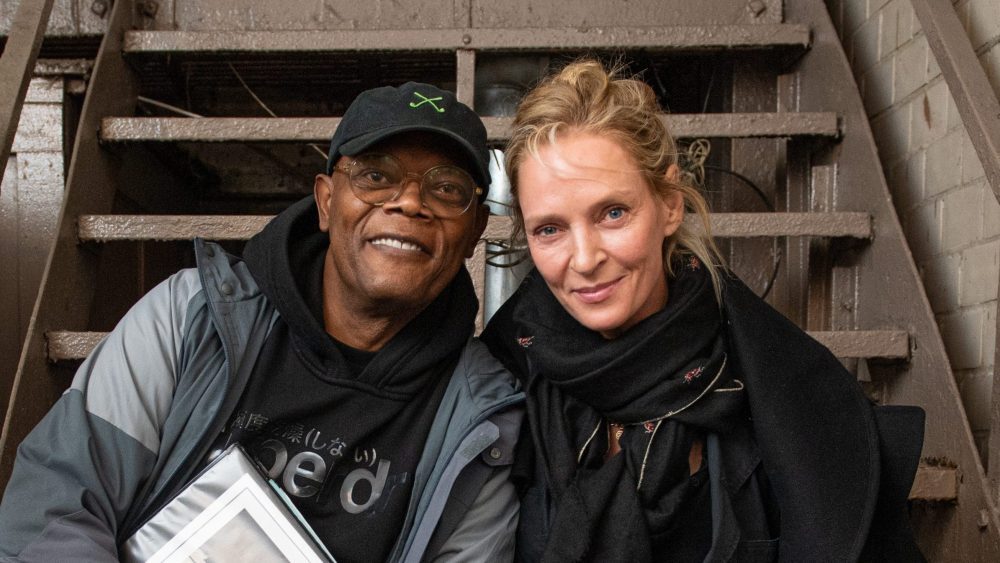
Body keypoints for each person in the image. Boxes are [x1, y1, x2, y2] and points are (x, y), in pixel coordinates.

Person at [0, 82, 523, 562]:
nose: (410, 202)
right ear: (325, 200)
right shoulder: (191, 319)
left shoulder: (480, 418)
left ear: (475, 228)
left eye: (447, 189)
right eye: (375, 175)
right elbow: (57, 501)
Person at [481, 60, 924, 562]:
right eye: (549, 229)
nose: (584, 259)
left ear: (669, 203)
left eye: (613, 213)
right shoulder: (502, 380)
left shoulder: (777, 392)